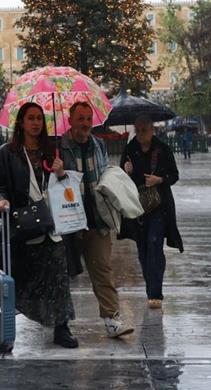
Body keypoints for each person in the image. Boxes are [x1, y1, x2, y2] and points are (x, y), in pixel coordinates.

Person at [0, 102, 78, 348]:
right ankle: (6, 326)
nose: (36, 123)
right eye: (31, 118)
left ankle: (62, 327)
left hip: (53, 225)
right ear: (21, 122)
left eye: (39, 118)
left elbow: (71, 188)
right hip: (24, 226)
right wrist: (1, 200)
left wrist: (62, 173)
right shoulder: (8, 153)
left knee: (60, 277)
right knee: (22, 278)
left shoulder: (54, 151)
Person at [58, 101, 134, 338]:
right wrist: (57, 172)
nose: (85, 124)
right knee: (62, 274)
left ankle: (112, 319)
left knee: (102, 269)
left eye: (88, 119)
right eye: (80, 118)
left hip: (97, 219)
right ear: (70, 120)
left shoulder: (98, 144)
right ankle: (60, 323)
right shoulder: (60, 146)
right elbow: (49, 183)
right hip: (69, 220)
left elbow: (104, 174)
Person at [121, 116, 183, 309]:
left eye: (144, 130)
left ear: (152, 129)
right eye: (138, 130)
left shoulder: (162, 149)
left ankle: (155, 293)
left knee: (154, 243)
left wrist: (159, 179)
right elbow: (120, 178)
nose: (141, 134)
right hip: (137, 206)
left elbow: (174, 175)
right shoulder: (130, 149)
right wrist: (125, 170)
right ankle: (151, 286)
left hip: (159, 205)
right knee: (143, 248)